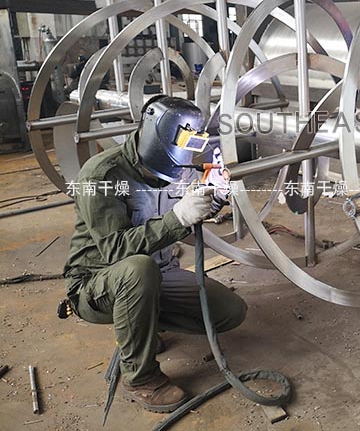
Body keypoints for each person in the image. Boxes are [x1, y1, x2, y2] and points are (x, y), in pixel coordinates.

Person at [63, 96, 247, 413]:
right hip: (98, 283)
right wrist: (179, 218)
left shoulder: (181, 168)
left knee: (229, 312)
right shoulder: (102, 176)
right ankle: (140, 377)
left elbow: (182, 222)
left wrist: (211, 199)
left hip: (158, 275)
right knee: (138, 270)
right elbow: (115, 250)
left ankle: (140, 323)